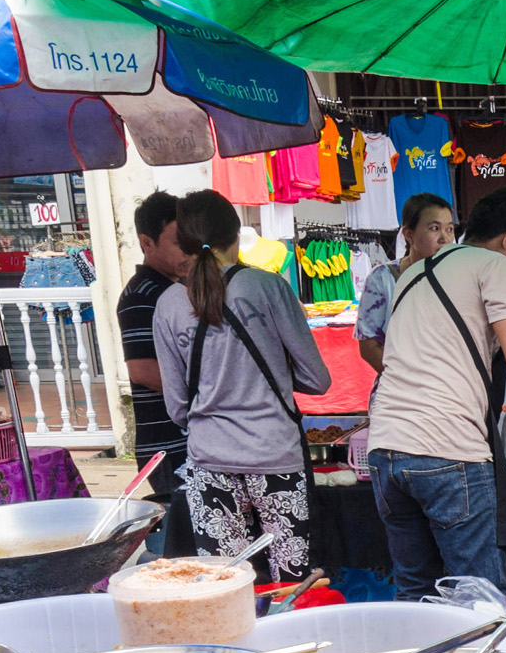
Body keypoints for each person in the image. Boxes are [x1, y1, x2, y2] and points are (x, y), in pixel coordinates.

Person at [369, 185, 506, 597]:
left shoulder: (412, 273)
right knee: (479, 593)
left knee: (416, 589)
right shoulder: (493, 265)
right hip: (448, 450)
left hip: (385, 452)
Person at [154, 190, 331, 583]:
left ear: (184, 242)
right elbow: (317, 380)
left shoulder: (167, 304)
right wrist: (275, 375)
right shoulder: (268, 287)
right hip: (275, 456)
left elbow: (177, 407)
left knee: (227, 586)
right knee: (290, 582)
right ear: (237, 234)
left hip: (209, 460)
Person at [117, 190, 196, 556]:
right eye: (179, 242)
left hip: (187, 436)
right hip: (167, 444)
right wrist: (203, 395)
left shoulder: (177, 288)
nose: (189, 250)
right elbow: (142, 368)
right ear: (147, 242)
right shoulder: (141, 295)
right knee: (180, 544)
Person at [356, 193, 455, 374]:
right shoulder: (382, 279)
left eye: (449, 229)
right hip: (400, 392)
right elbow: (369, 345)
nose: (445, 238)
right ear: (409, 235)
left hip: (450, 391)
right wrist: (406, 382)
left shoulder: (459, 277)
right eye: (434, 228)